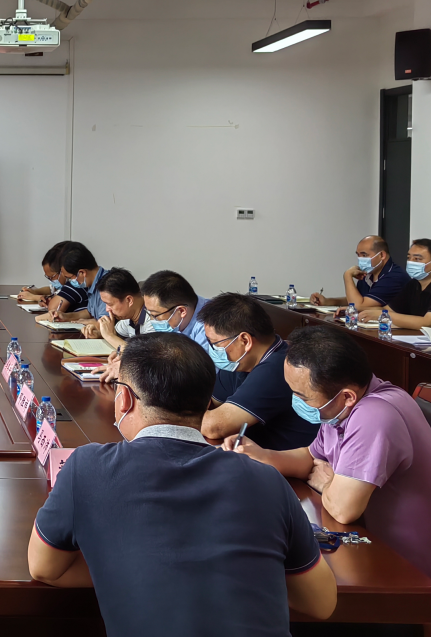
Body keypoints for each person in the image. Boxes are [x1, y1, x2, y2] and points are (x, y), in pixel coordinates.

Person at [28, 333, 337, 634]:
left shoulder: (86, 467)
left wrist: (127, 568)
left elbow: (44, 568)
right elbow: (321, 603)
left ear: (124, 399)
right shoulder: (267, 481)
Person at [224, 325, 431, 591]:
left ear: (347, 396)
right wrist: (262, 455)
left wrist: (328, 482)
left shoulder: (375, 416)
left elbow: (343, 510)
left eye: (302, 396)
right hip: (379, 542)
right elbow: (312, 456)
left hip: (419, 570)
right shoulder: (343, 405)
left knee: (285, 584)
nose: (294, 401)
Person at [199, 293, 319, 450]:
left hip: (284, 460)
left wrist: (178, 414)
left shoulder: (279, 368)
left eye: (215, 343)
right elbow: (205, 402)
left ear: (245, 340)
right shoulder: (238, 363)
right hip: (252, 454)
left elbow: (213, 427)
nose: (213, 349)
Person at [98, 270, 209, 384]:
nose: (152, 320)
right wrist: (130, 357)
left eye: (155, 315)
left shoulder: (209, 329)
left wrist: (133, 368)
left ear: (181, 311)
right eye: (149, 313)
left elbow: (193, 376)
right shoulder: (178, 313)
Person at [357, 238, 431, 332]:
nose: (410, 262)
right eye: (409, 258)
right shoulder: (413, 284)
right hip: (415, 339)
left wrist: (382, 315)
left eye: (417, 259)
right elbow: (388, 310)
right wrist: (360, 311)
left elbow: (428, 322)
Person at [309, 235, 408, 310]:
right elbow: (357, 299)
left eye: (364, 255)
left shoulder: (394, 277)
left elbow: (357, 306)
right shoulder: (369, 273)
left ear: (382, 255)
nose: (360, 259)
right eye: (358, 255)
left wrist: (347, 275)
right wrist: (328, 301)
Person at [82, 268, 149, 346]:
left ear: (129, 300)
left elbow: (140, 352)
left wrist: (109, 336)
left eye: (110, 304)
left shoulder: (153, 319)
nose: (107, 309)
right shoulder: (128, 318)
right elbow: (116, 335)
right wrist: (99, 333)